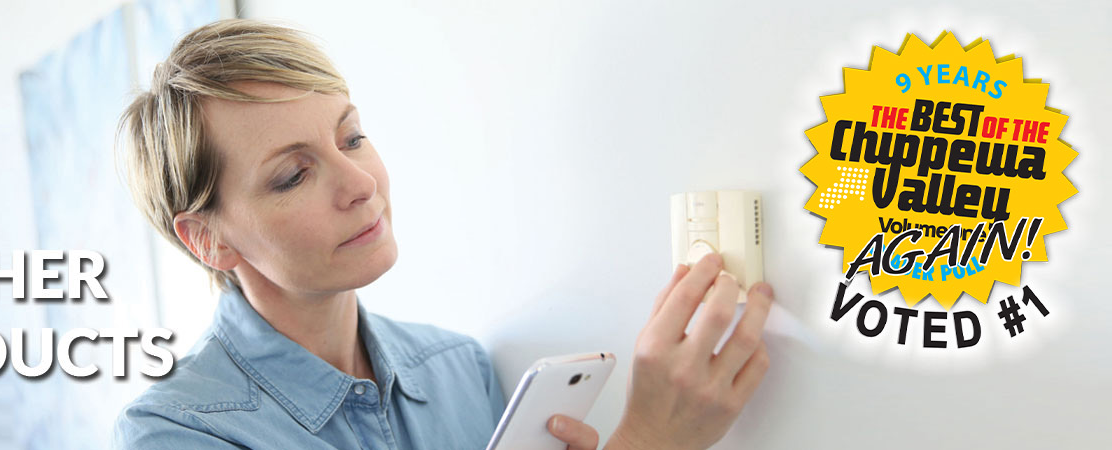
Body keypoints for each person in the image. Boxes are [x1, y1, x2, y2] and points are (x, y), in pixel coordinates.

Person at [113, 19, 774, 450]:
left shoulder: (460, 369)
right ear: (208, 240)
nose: (360, 183)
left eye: (353, 137)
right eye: (293, 174)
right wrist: (650, 437)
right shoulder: (176, 433)